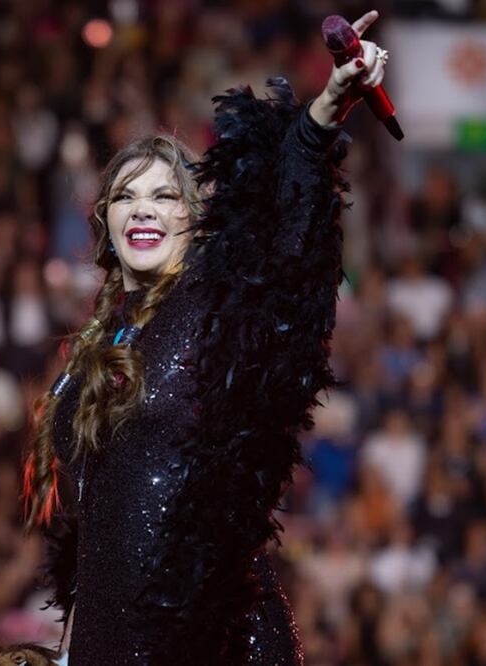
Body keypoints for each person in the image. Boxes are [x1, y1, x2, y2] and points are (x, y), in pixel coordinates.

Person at [20, 11, 389, 664]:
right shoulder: (87, 355)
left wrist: (323, 112)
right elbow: (88, 536)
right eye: (126, 197)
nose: (143, 209)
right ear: (103, 221)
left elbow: (289, 244)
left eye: (164, 197)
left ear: (193, 221)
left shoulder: (213, 307)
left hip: (207, 640)